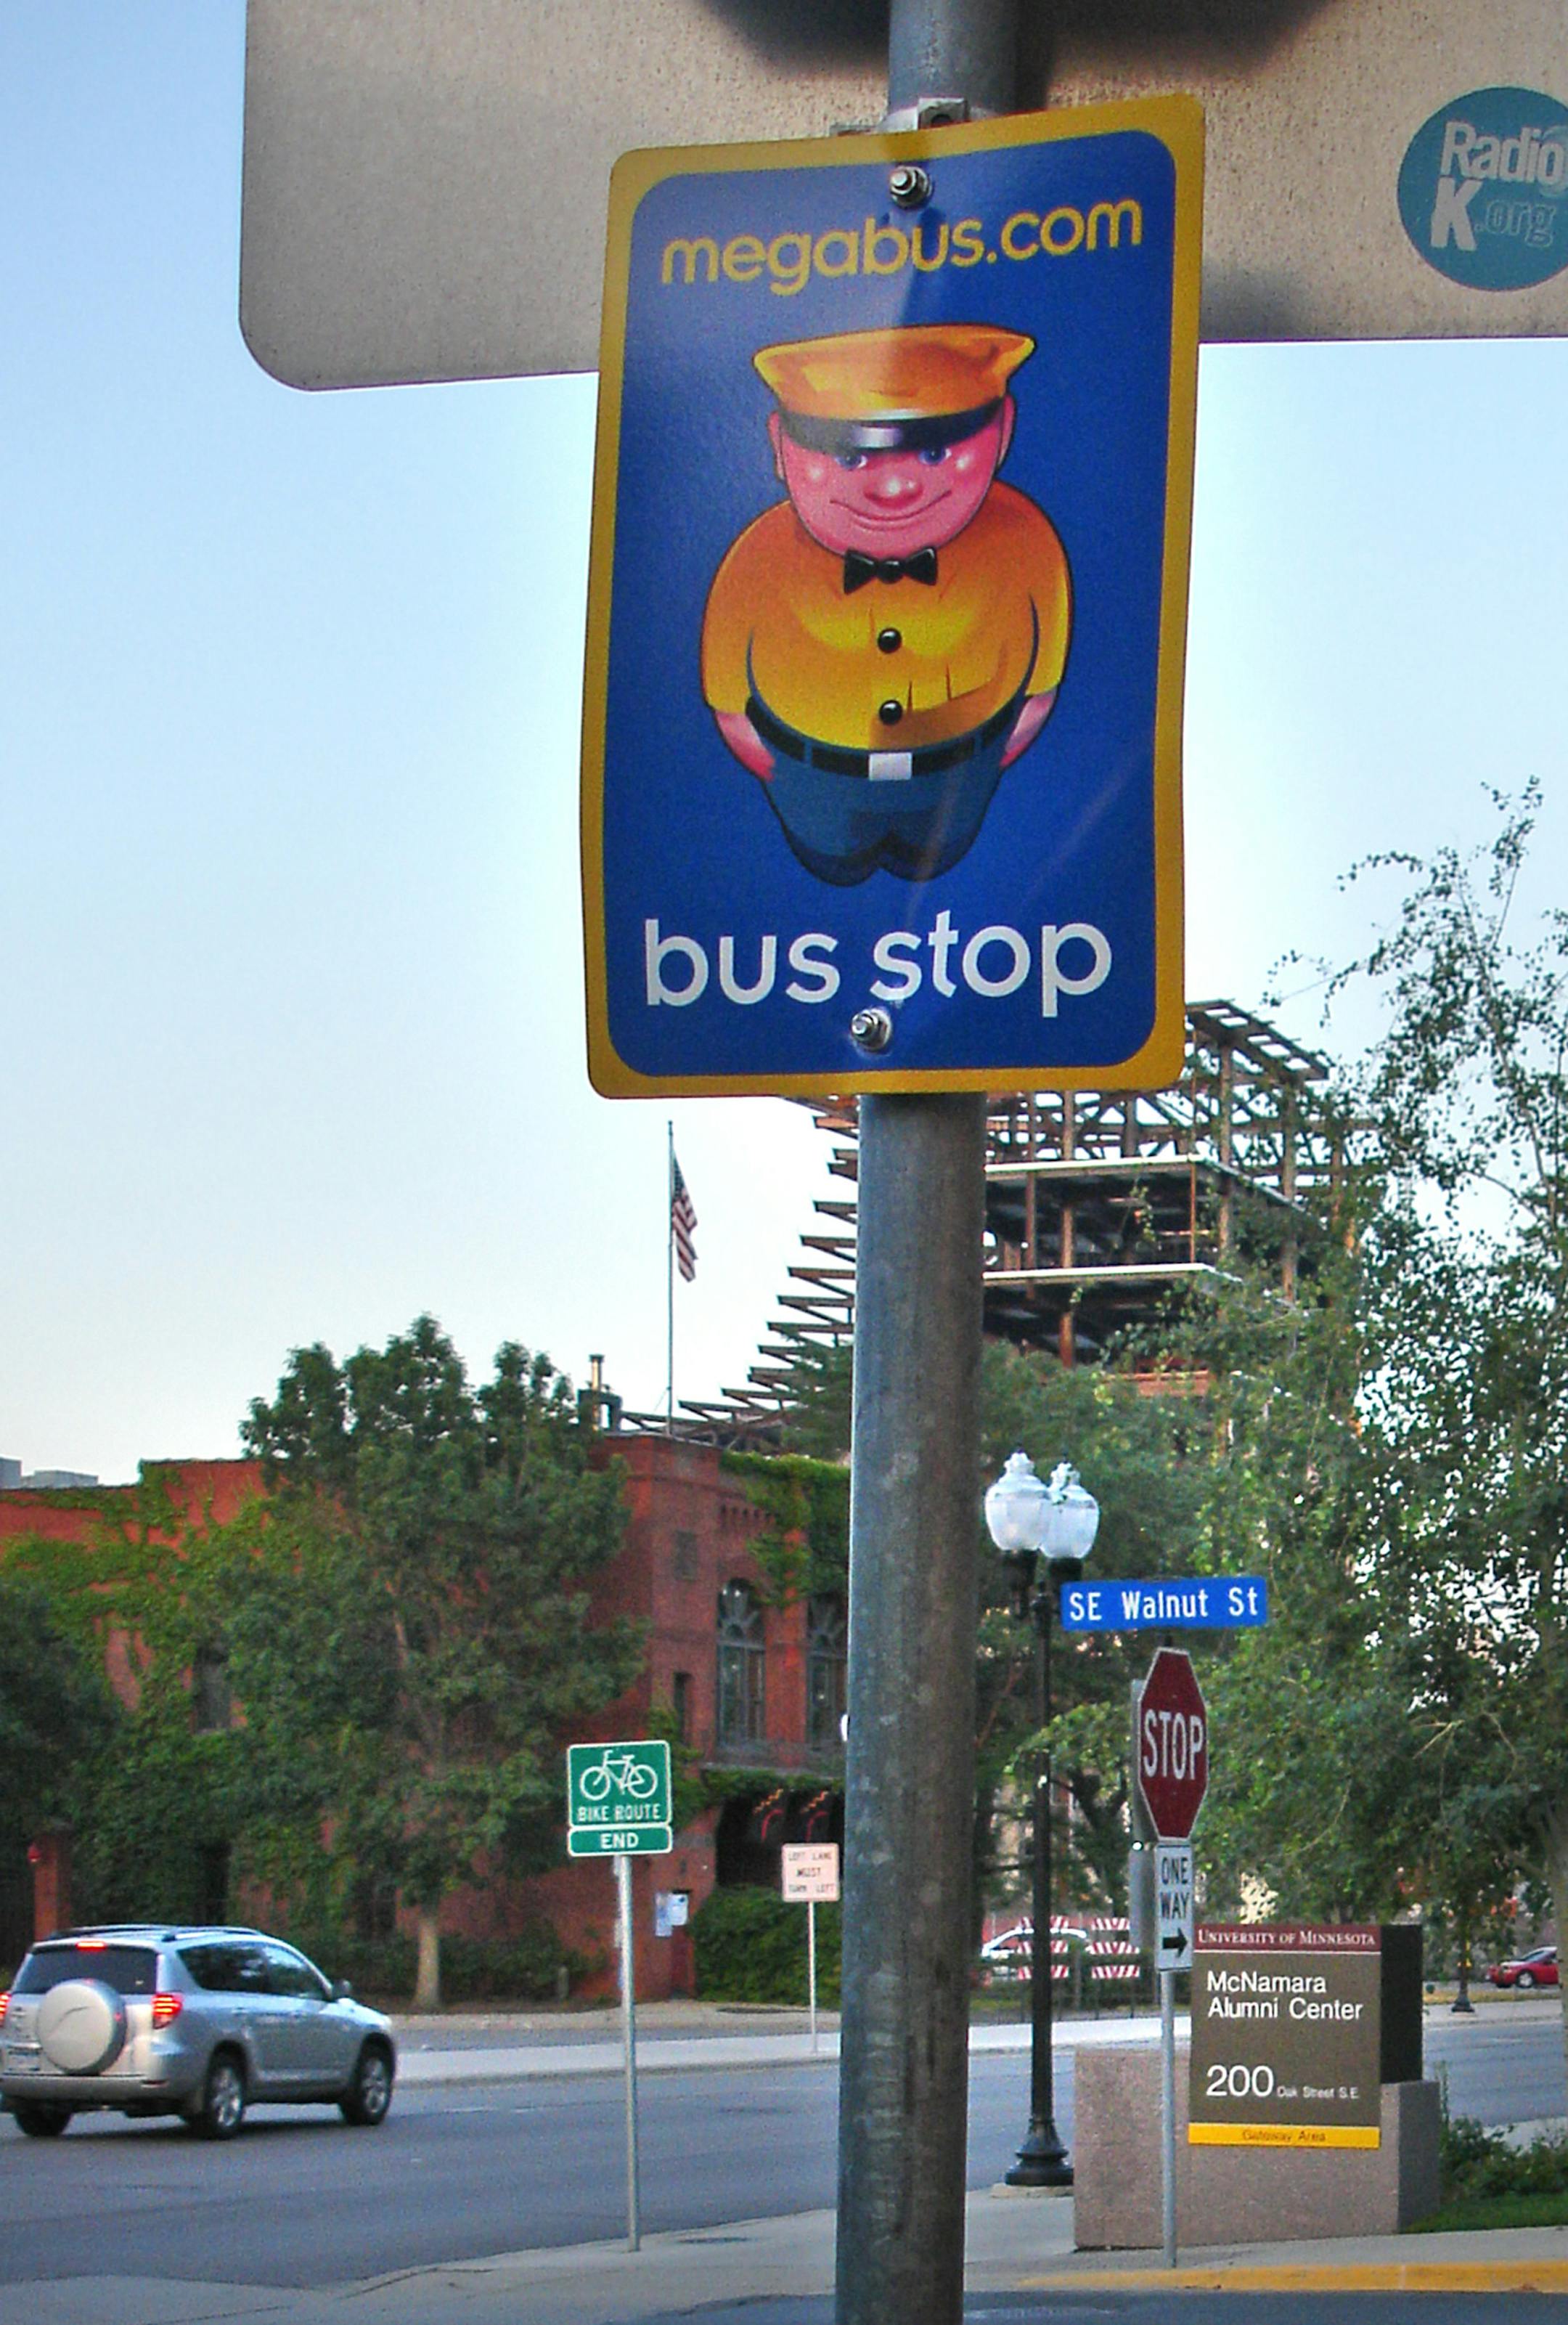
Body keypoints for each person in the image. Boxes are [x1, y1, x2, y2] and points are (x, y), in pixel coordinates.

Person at [701, 322, 1071, 886]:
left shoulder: (1028, 542)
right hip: (815, 782)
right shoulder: (754, 560)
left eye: (937, 451)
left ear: (1001, 434)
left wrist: (979, 765)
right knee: (827, 861)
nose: (894, 489)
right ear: (781, 446)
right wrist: (788, 776)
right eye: (850, 458)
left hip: (957, 777)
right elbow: (729, 705)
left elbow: (1040, 691)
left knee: (943, 866)